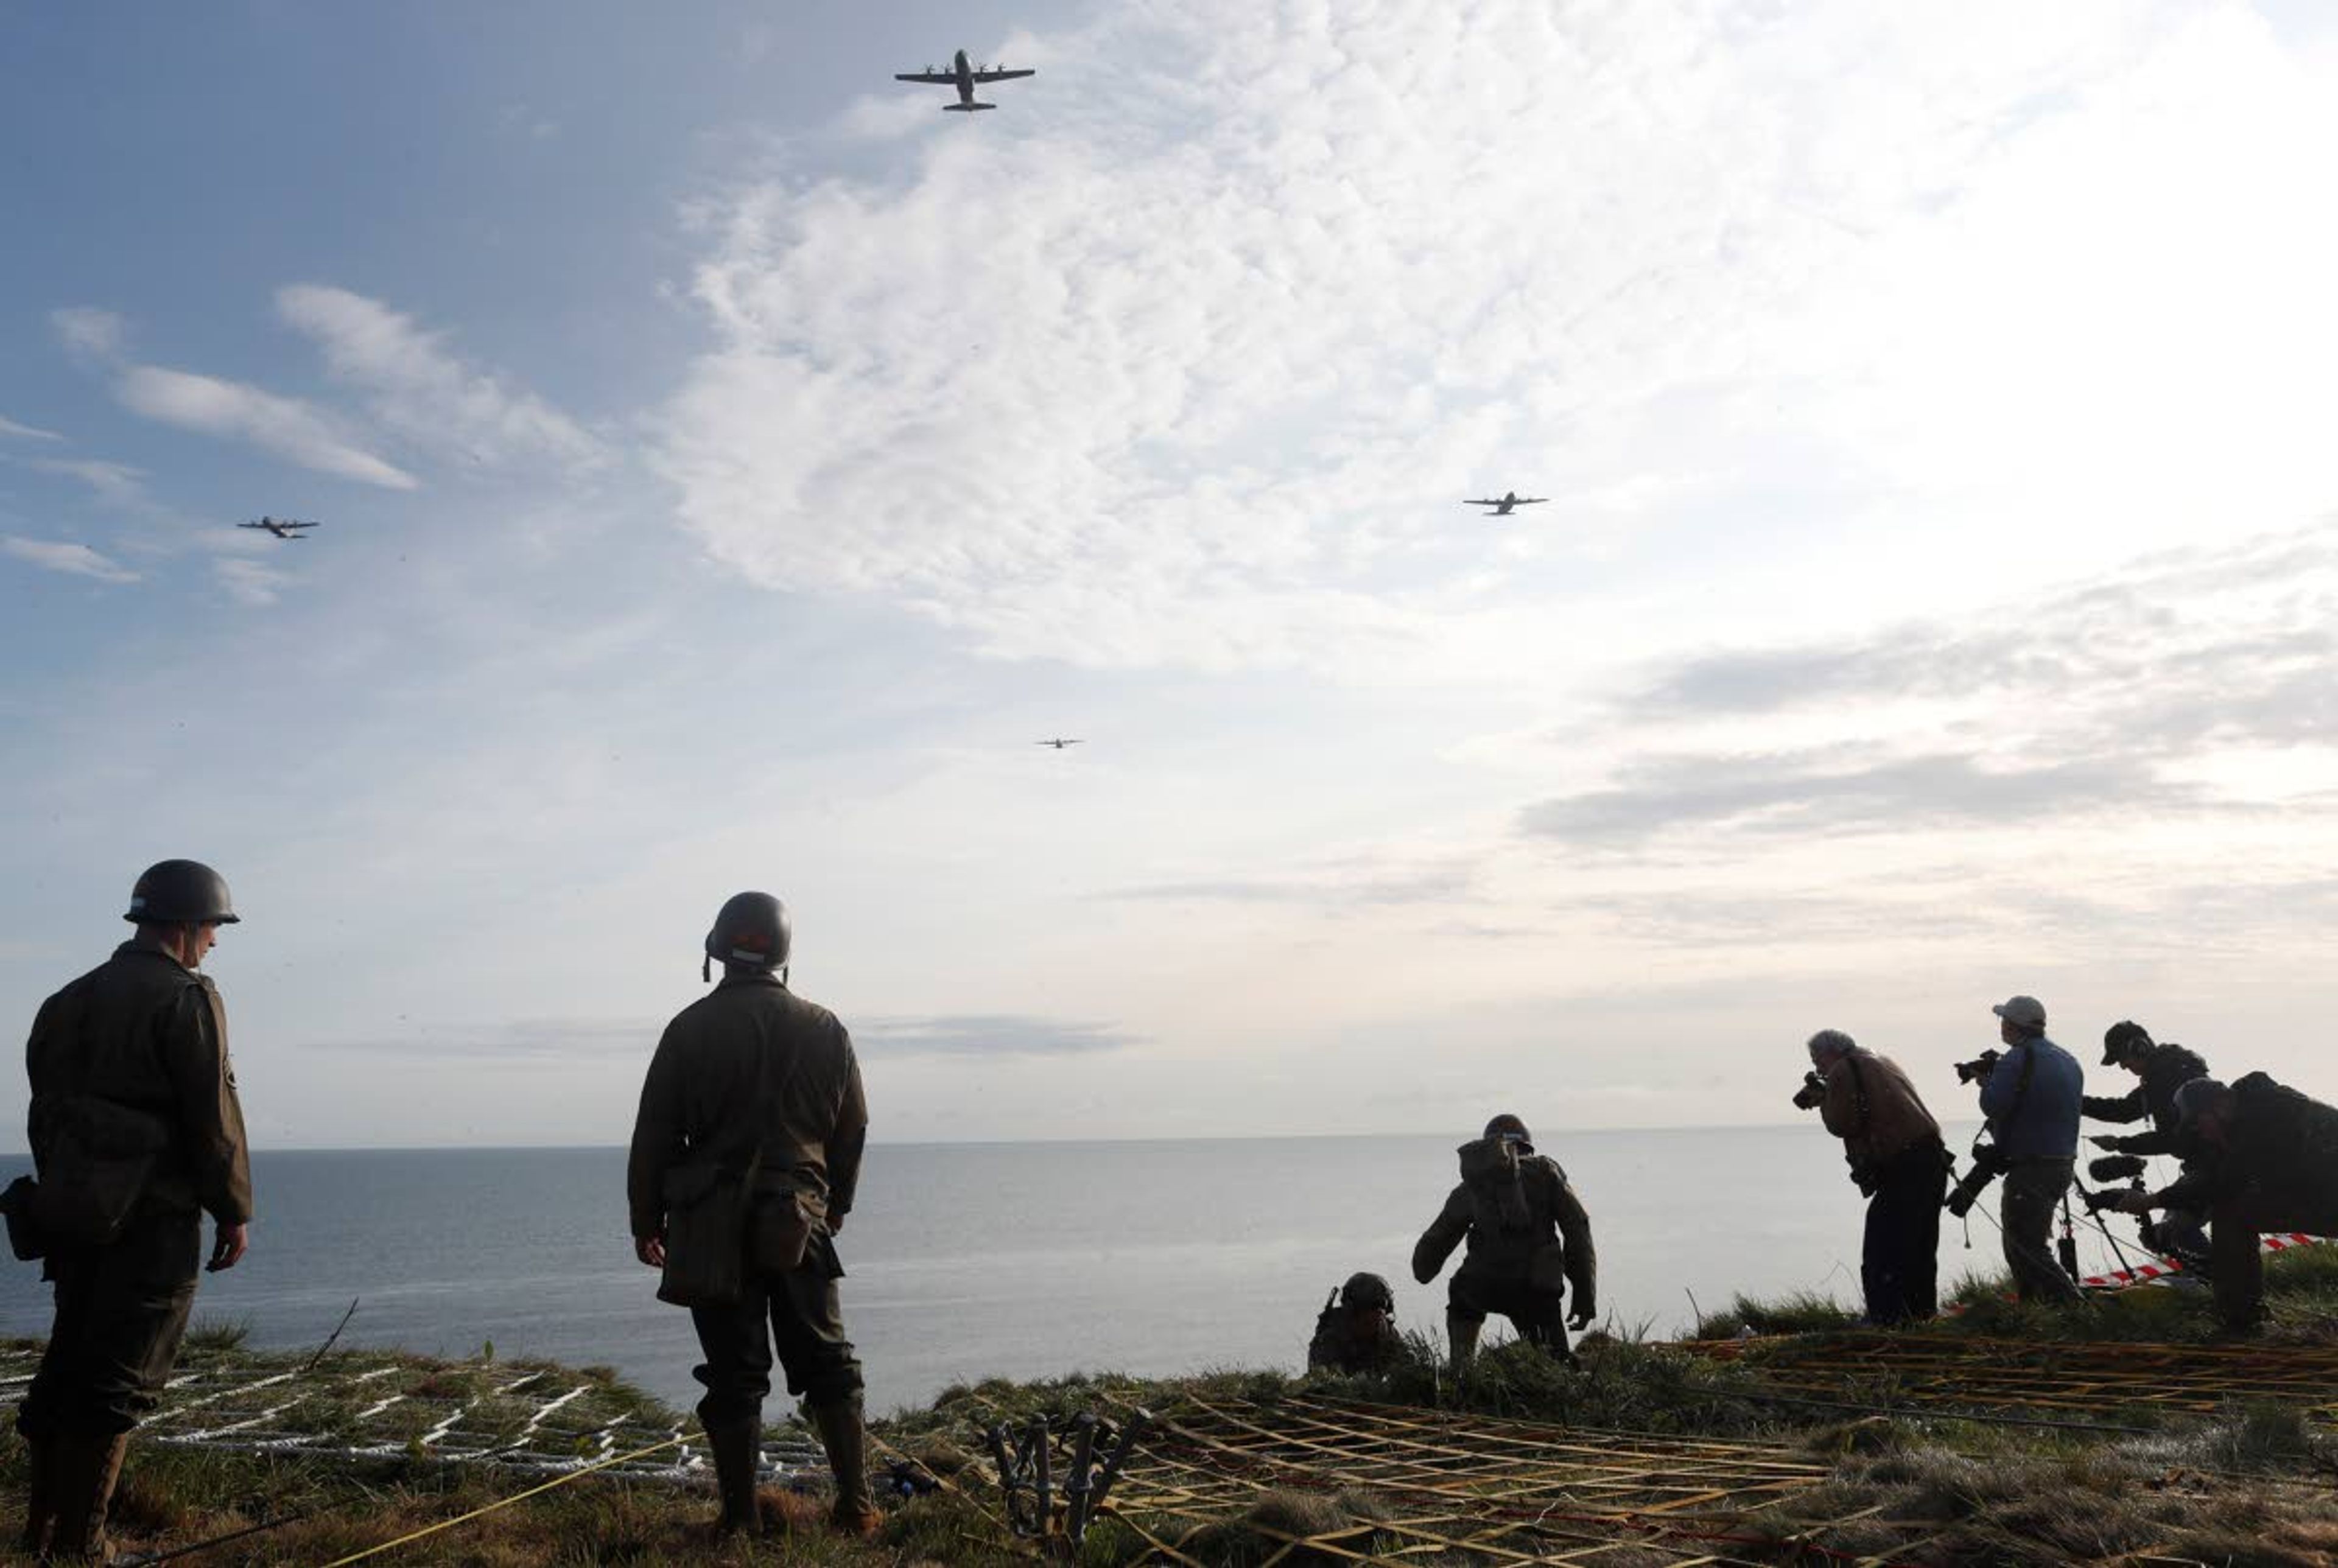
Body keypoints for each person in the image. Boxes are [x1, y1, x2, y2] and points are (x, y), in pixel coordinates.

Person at [11, 861, 253, 1562]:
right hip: (153, 1221)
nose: (214, 941)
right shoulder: (189, 997)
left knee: (68, 1364)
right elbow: (214, 1120)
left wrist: (71, 1192)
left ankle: (41, 1535)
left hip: (73, 1213)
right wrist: (233, 1208)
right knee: (120, 1379)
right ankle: (85, 1546)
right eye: (213, 927)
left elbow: (45, 1113)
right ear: (184, 925)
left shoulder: (66, 999)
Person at [627, 892, 876, 1539]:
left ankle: (738, 1520)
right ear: (785, 956)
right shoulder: (827, 1028)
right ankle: (856, 1507)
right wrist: (836, 1205)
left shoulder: (688, 1029)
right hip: (801, 1218)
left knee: (734, 1374)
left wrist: (645, 1218)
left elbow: (654, 1132)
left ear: (715, 952)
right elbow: (852, 1128)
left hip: (711, 1225)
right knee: (829, 1362)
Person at [2102, 1074, 2338, 1332]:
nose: (2200, 1133)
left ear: (2219, 1106)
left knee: (2233, 1213)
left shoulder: (2267, 1118)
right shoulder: (2248, 1117)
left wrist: (2152, 1201)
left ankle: (2241, 1319)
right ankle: (2241, 1317)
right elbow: (2215, 1180)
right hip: (2321, 1195)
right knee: (2234, 1212)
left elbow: (2224, 1182)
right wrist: (2165, 1212)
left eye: (2197, 1124)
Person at [1411, 1115, 1595, 1370]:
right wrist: (1584, 1296)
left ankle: (1462, 1373)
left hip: (1481, 1287)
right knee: (1557, 1368)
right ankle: (1558, 1379)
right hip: (1537, 1291)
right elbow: (1578, 1229)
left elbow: (1435, 1243)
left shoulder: (1471, 1187)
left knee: (1462, 1297)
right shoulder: (1546, 1173)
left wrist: (1424, 1270)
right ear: (1528, 1147)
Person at [1804, 1029, 1947, 1323]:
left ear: (1830, 1054)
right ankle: (1920, 1312)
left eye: (1817, 1060)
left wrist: (1824, 1101)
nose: (1818, 1068)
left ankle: (1885, 1315)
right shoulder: (1880, 1060)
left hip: (1904, 1163)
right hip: (1931, 1156)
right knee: (1919, 1242)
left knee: (1883, 1243)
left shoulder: (1845, 1069)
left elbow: (1841, 1123)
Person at [1975, 995, 2084, 1304]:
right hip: (2062, 1163)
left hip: (2031, 1166)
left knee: (2024, 1246)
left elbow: (1993, 1106)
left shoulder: (2016, 1059)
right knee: (2031, 1241)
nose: (2001, 1027)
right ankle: (2038, 1308)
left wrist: (1986, 1083)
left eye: (2004, 1022)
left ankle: (2070, 1306)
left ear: (2013, 1026)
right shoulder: (2067, 1059)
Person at [2082, 1020, 2211, 1260]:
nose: (2122, 1066)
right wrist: (2076, 1103)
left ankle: (2222, 1276)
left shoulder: (2165, 1078)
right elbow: (2124, 1111)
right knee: (2173, 1230)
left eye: (2122, 1058)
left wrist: (2122, 1144)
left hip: (2208, 1167)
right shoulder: (2168, 1070)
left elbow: (2170, 1140)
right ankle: (2221, 1274)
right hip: (2206, 1163)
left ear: (2139, 1047)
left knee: (2174, 1231)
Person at [1306, 1272, 1406, 1374]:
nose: (1378, 1315)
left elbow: (1407, 1366)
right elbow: (1326, 1383)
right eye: (1371, 1307)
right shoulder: (1330, 1339)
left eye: (1381, 1308)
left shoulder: (1386, 1332)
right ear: (1352, 1311)